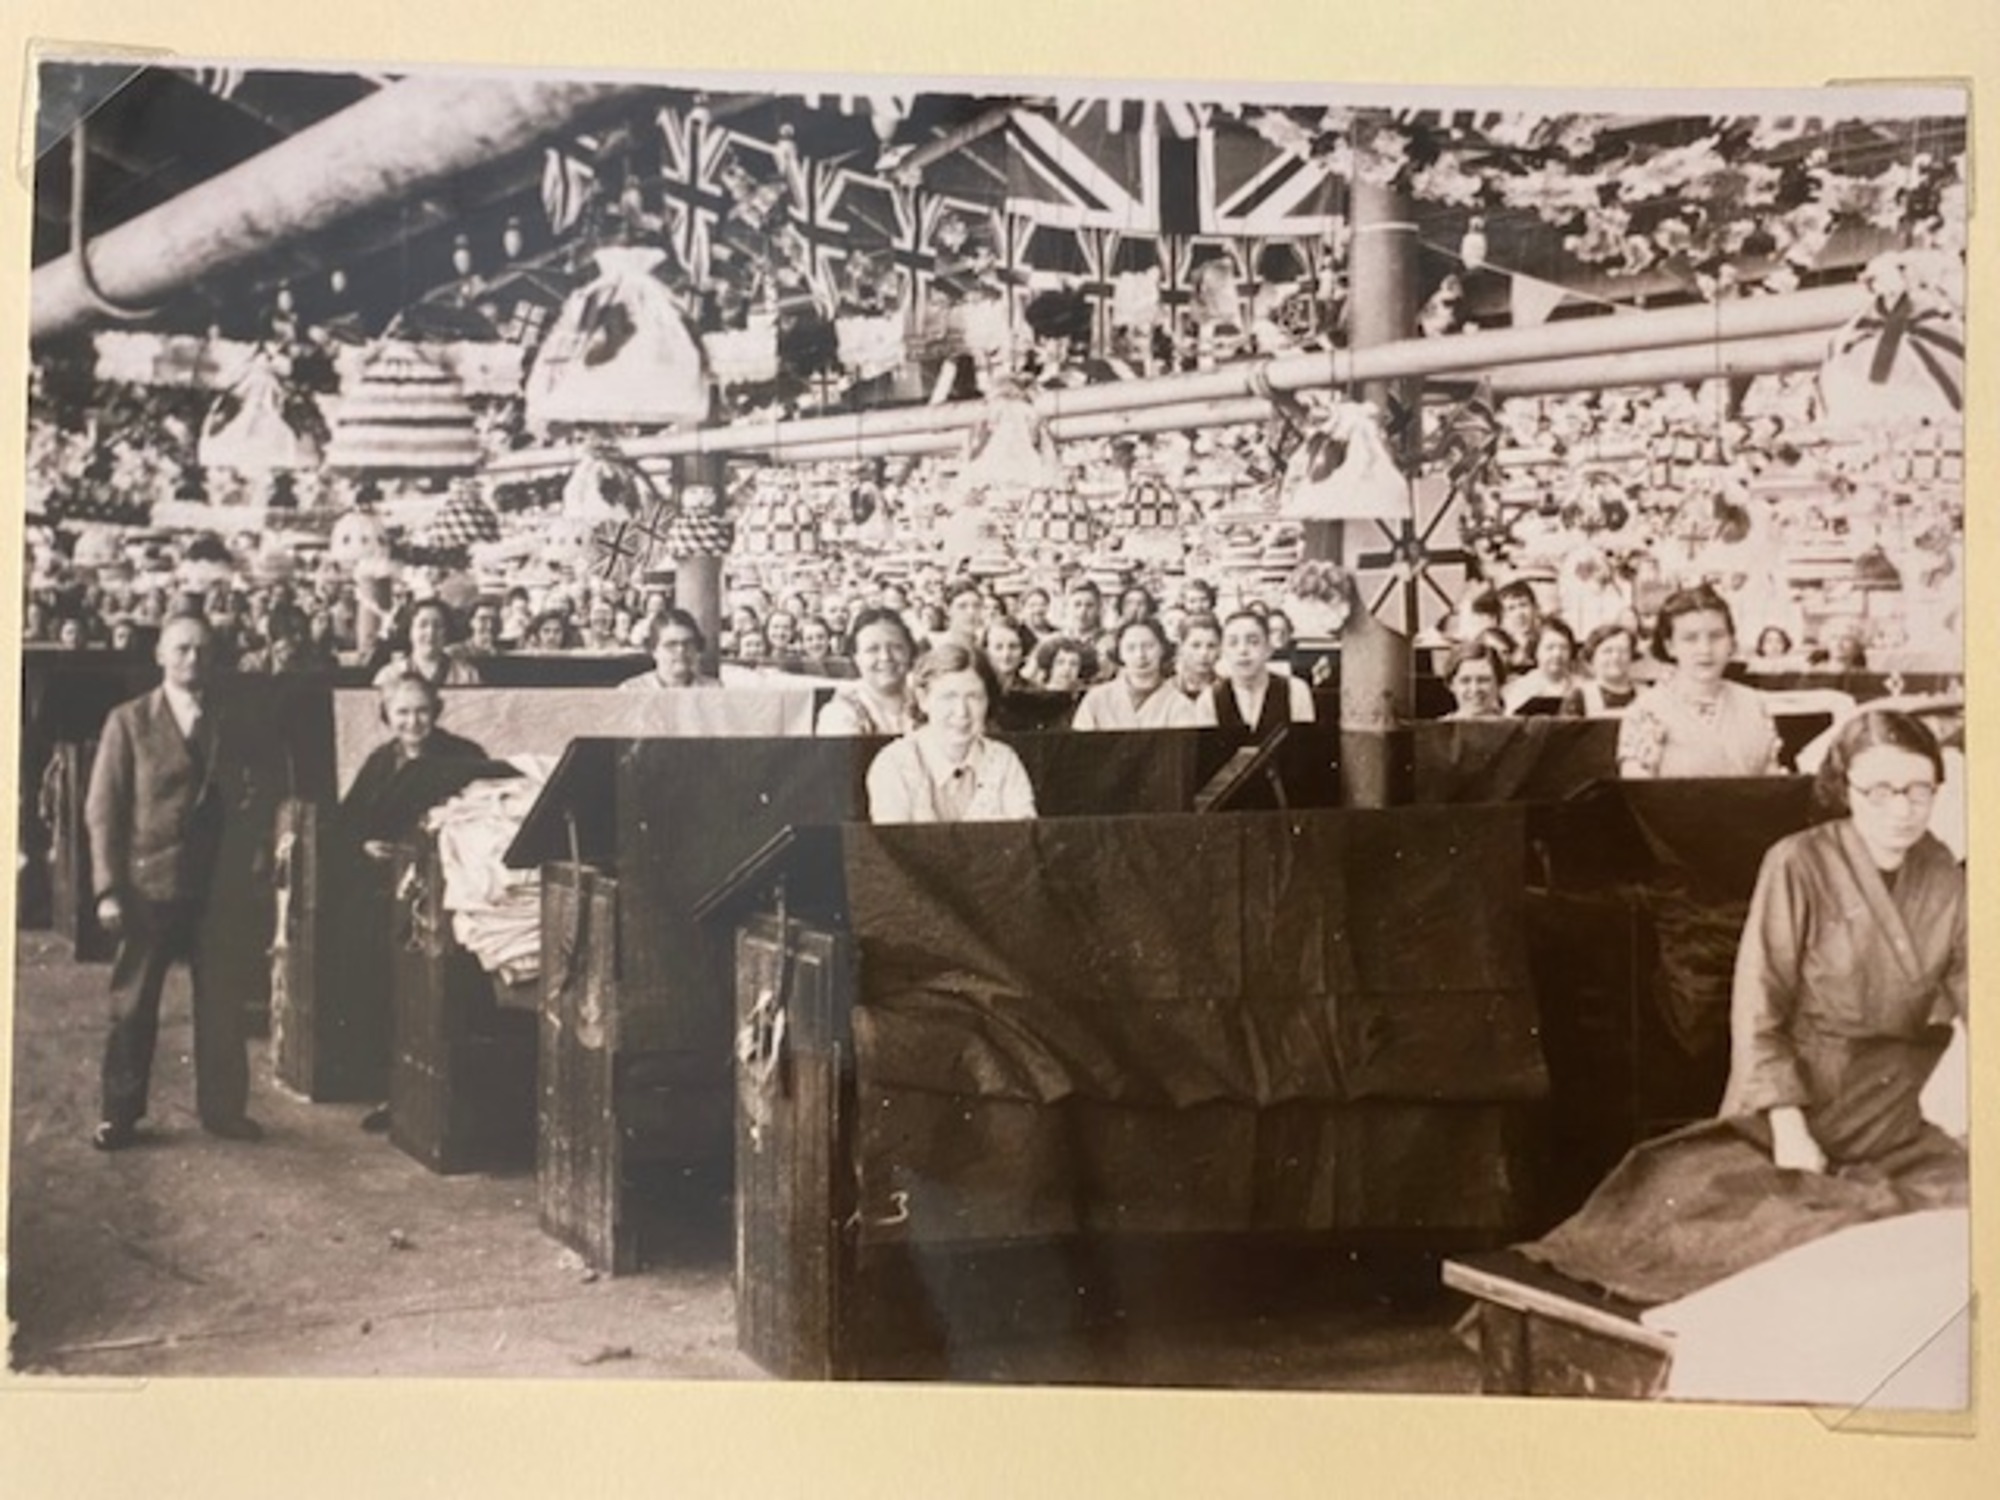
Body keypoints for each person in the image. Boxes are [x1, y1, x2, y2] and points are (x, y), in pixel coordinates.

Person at [1522, 710, 1967, 1305]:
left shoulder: (1945, 873)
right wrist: (1789, 1129)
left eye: (1919, 790)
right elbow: (1760, 1006)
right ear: (1845, 789)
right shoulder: (1797, 862)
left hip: (1892, 1116)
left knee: (1944, 1231)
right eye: (1879, 791)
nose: (1901, 810)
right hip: (1789, 1111)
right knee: (1768, 1243)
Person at [85, 613, 260, 1149]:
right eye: (182, 648)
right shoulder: (129, 721)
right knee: (133, 1005)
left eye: (202, 649)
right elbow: (103, 810)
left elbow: (253, 795)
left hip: (217, 887)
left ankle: (224, 1111)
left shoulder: (233, 719)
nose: (192, 659)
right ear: (160, 655)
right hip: (149, 887)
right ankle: (119, 1114)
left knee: (223, 1004)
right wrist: (108, 889)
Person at [1619, 585, 1781, 779]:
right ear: (1670, 646)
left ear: (1731, 642)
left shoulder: (1754, 704)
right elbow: (1637, 789)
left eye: (1716, 636)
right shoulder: (1646, 712)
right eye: (1690, 638)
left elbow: (1772, 781)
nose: (1705, 649)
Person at [866, 643, 1037, 824]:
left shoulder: (1005, 761)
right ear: (923, 699)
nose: (961, 711)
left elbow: (1024, 836)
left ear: (988, 701)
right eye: (948, 697)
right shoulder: (893, 764)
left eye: (974, 697)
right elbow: (892, 840)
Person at [1194, 610, 1315, 737]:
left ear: (1268, 648)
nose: (1243, 650)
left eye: (1253, 642)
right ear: (1223, 651)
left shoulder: (1296, 691)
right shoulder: (1209, 699)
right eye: (1233, 643)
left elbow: (1305, 745)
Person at [1072, 617, 1199, 730]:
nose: (1140, 655)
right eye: (1131, 648)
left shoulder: (1180, 705)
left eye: (1148, 646)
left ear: (1162, 649)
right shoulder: (1096, 700)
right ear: (1120, 653)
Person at [816, 607, 917, 736]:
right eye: (873, 649)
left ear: (910, 651)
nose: (885, 657)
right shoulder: (840, 713)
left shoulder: (928, 702)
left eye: (896, 647)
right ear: (856, 658)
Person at [373, 598, 483, 689]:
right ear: (410, 631)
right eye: (423, 625)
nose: (431, 632)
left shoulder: (467, 675)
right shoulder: (389, 676)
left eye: (438, 626)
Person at [620, 610, 716, 690]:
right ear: (653, 650)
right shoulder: (631, 690)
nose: (681, 650)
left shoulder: (714, 689)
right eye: (671, 644)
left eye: (688, 643)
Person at [1560, 623, 1641, 718]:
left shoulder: (1648, 695)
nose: (1616, 657)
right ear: (1592, 658)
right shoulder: (1580, 697)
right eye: (1608, 651)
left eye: (1623, 651)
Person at [1503, 618, 1580, 713]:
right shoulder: (1521, 688)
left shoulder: (1581, 687)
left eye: (1564, 648)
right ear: (1535, 651)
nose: (1557, 654)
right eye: (1550, 648)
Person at [1441, 640, 1509, 720]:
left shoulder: (1517, 727)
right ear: (1451, 685)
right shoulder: (1436, 727)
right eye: (1465, 681)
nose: (1475, 689)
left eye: (1483, 680)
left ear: (1499, 683)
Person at [1174, 613, 1223, 700]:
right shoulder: (1168, 690)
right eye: (1196, 646)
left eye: (1211, 646)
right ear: (1181, 647)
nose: (1204, 653)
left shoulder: (1226, 691)